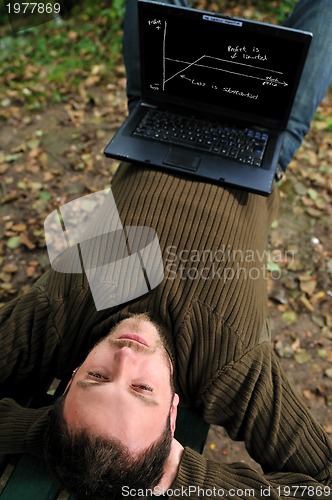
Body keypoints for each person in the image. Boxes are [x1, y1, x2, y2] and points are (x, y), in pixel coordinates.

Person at [0, 0, 331, 498]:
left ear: (67, 381)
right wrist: (189, 479)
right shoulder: (231, 365)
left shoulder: (55, 314)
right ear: (173, 412)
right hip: (260, 136)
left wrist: (45, 433)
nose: (125, 358)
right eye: (140, 390)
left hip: (161, 108)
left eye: (94, 378)